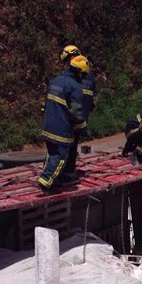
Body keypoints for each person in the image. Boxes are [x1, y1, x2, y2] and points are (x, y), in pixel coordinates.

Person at [37, 54, 89, 193]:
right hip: (62, 128)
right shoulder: (75, 87)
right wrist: (83, 127)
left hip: (48, 124)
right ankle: (46, 181)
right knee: (60, 157)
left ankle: (55, 179)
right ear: (79, 71)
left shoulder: (56, 80)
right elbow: (76, 111)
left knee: (52, 153)